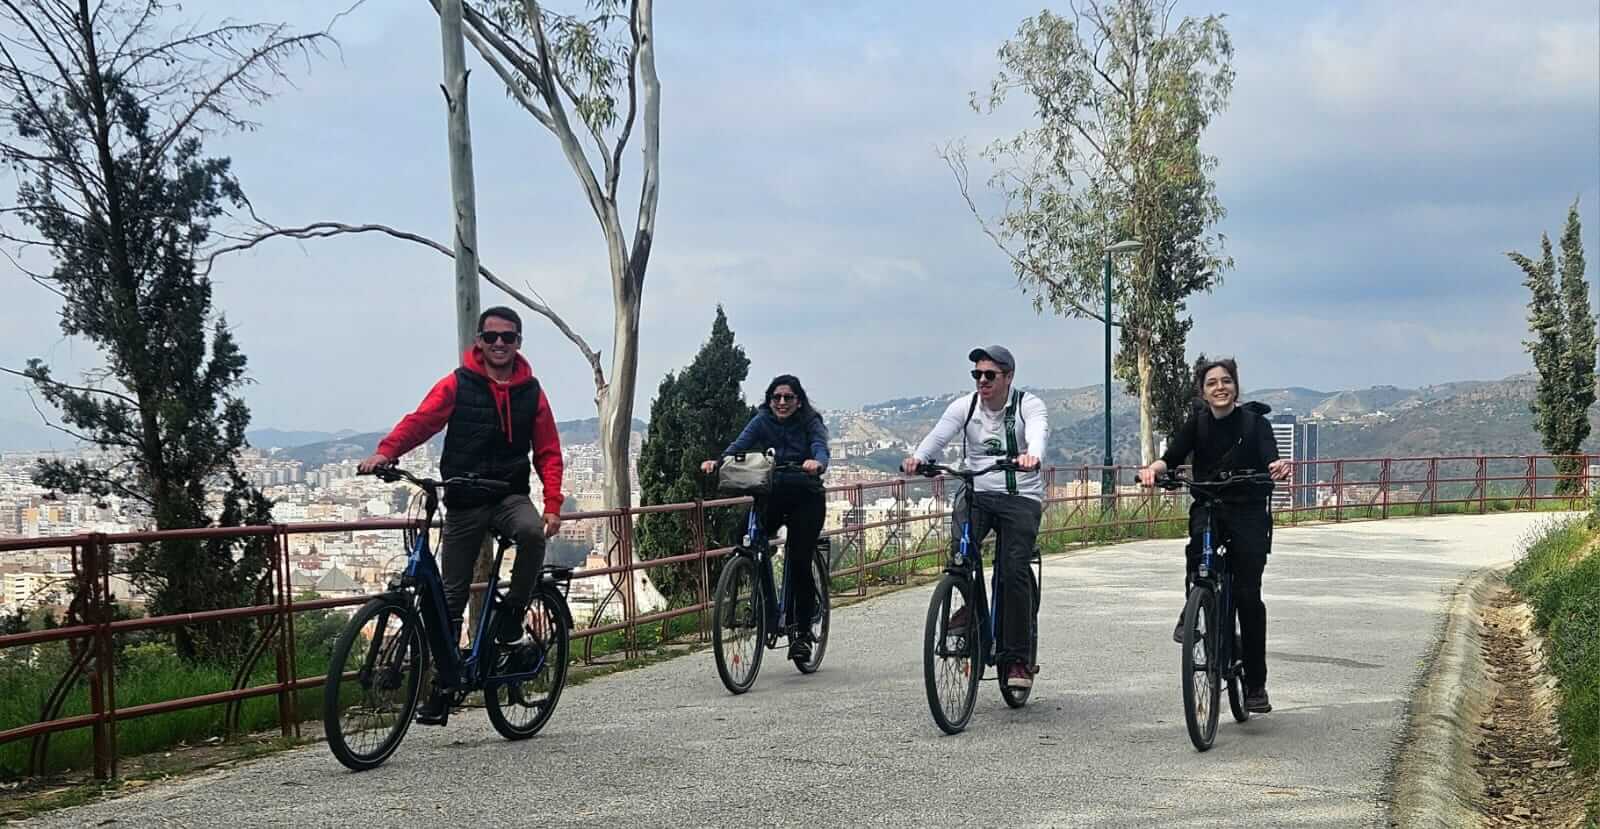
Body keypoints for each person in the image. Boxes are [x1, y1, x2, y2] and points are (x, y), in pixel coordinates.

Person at [358, 306, 564, 725]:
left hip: (508, 494)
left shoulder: (532, 392)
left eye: (508, 337)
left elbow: (548, 449)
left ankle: (511, 619)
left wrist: (553, 504)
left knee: (531, 533)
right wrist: (387, 451)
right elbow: (422, 421)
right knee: (448, 596)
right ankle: (443, 685)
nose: (500, 344)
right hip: (464, 497)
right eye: (492, 337)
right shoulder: (458, 384)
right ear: (479, 342)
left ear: (519, 342)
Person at [1138, 357, 1291, 713]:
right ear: (1203, 391)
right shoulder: (1199, 424)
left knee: (1247, 596)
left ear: (1235, 386)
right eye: (1212, 383)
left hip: (1249, 510)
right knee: (1197, 554)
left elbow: (1272, 457)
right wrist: (1153, 470)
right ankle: (1195, 603)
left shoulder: (1255, 424)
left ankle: (1255, 683)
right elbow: (1171, 456)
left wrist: (1278, 466)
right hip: (1210, 505)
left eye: (1226, 381)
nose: (1220, 387)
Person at [900, 345, 1048, 689]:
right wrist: (918, 459)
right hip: (977, 491)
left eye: (990, 375)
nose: (982, 380)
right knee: (960, 555)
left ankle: (1016, 659)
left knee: (1012, 570)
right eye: (977, 374)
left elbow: (1038, 433)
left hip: (1019, 496)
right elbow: (937, 436)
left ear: (1008, 377)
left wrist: (1033, 456)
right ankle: (970, 610)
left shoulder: (1028, 406)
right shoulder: (964, 407)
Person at [701, 374, 830, 663]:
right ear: (769, 400)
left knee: (798, 561)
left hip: (806, 496)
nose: (781, 402)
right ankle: (766, 608)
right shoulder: (761, 420)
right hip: (771, 494)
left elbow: (820, 447)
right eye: (776, 398)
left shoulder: (810, 422)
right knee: (745, 541)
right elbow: (739, 445)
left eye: (788, 398)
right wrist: (718, 461)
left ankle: (803, 632)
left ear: (798, 401)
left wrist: (817, 462)